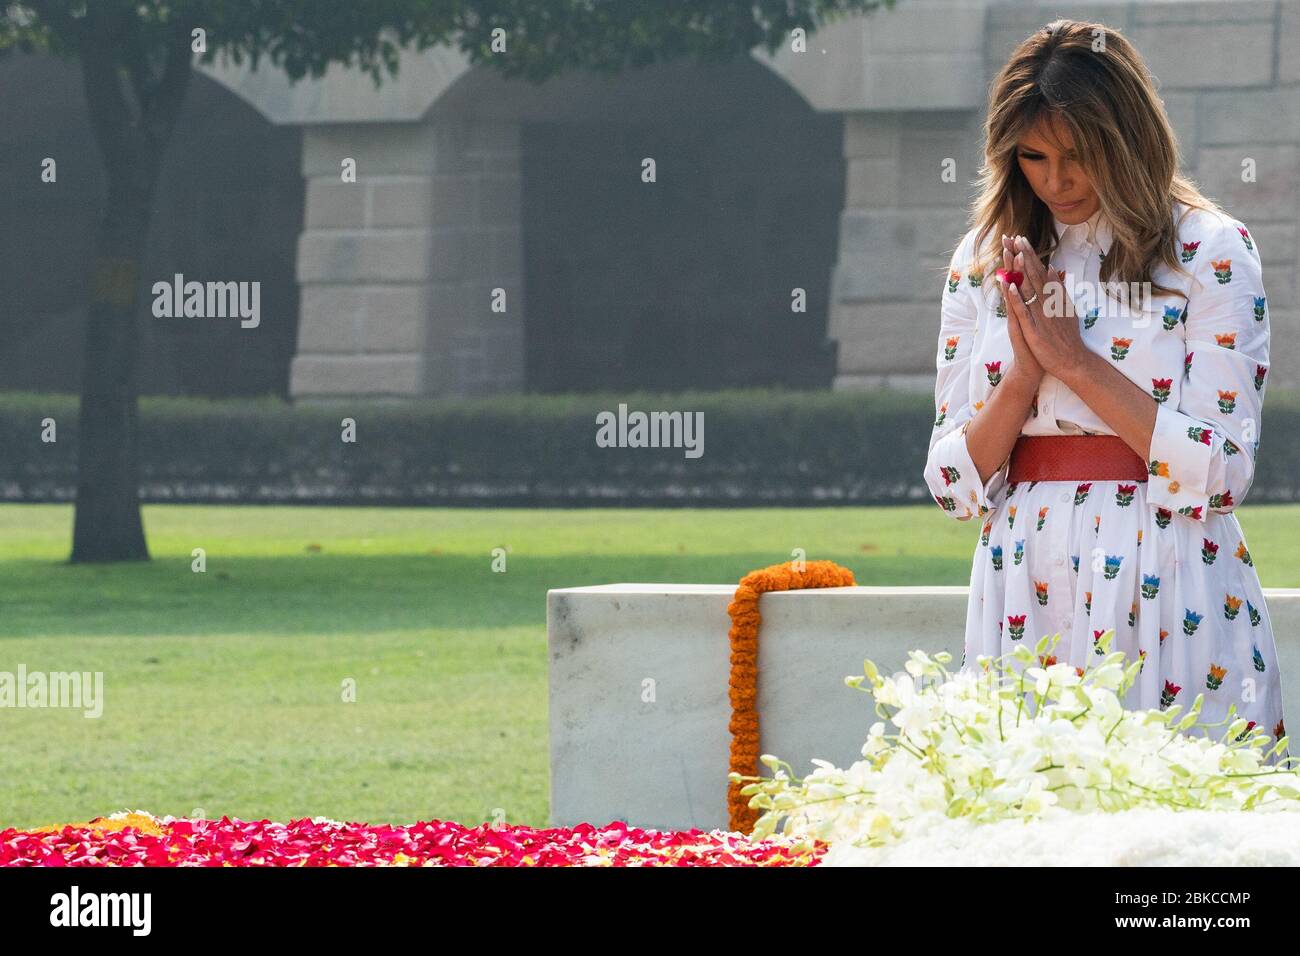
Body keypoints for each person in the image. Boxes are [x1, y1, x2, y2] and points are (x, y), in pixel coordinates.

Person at [923, 19, 1286, 758]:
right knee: (1028, 805)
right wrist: (1027, 373)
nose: (1056, 180)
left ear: (1128, 141)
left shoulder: (1209, 250)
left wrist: (1080, 362)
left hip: (1167, 561)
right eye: (1033, 156)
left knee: (1175, 805)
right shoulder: (982, 260)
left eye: (1079, 156)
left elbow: (1222, 471)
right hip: (1021, 568)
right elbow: (952, 482)